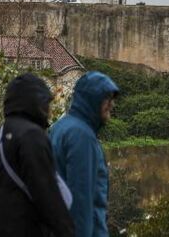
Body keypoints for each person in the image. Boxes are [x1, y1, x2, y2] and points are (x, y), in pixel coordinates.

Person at [0, 72, 74, 237]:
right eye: (46, 103)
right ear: (36, 103)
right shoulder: (32, 135)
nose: (50, 110)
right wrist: (67, 231)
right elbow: (46, 194)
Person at [50, 71, 119, 237]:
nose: (112, 105)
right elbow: (80, 202)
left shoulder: (60, 127)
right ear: (92, 100)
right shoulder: (81, 136)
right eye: (107, 99)